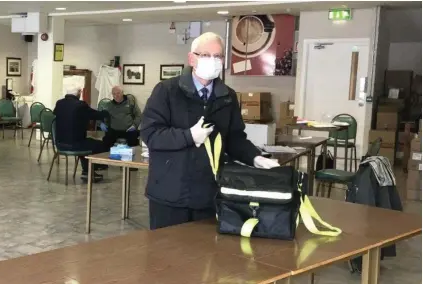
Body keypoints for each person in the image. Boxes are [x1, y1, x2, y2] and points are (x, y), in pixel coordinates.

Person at [140, 32, 280, 230]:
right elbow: (151, 134)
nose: (212, 60)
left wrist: (255, 157)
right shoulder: (167, 91)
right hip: (169, 193)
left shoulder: (227, 96)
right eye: (205, 55)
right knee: (166, 256)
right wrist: (188, 136)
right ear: (191, 59)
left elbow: (234, 138)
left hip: (208, 193)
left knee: (205, 256)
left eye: (218, 56)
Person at [53, 79, 109, 182]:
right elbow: (94, 114)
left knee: (86, 142)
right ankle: (90, 171)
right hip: (74, 144)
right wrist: (106, 113)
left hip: (60, 143)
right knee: (101, 145)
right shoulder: (80, 105)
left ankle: (86, 171)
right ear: (79, 93)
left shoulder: (59, 103)